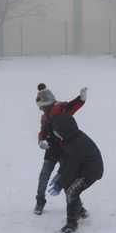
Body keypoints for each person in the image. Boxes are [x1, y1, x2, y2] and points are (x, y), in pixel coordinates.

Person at [34, 83, 87, 215]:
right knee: (43, 176)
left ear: (47, 104)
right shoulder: (44, 117)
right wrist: (41, 141)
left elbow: (72, 105)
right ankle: (40, 201)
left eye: (41, 107)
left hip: (65, 151)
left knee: (67, 179)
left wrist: (80, 99)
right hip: (51, 152)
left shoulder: (61, 109)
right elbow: (42, 132)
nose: (40, 110)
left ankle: (77, 206)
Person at [47, 112, 103, 233]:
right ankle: (80, 211)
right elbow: (68, 160)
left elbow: (72, 166)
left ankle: (71, 224)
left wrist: (60, 183)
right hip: (82, 169)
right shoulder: (70, 139)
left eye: (57, 130)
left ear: (64, 129)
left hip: (91, 172)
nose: (55, 133)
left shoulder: (76, 143)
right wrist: (60, 173)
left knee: (72, 192)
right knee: (69, 187)